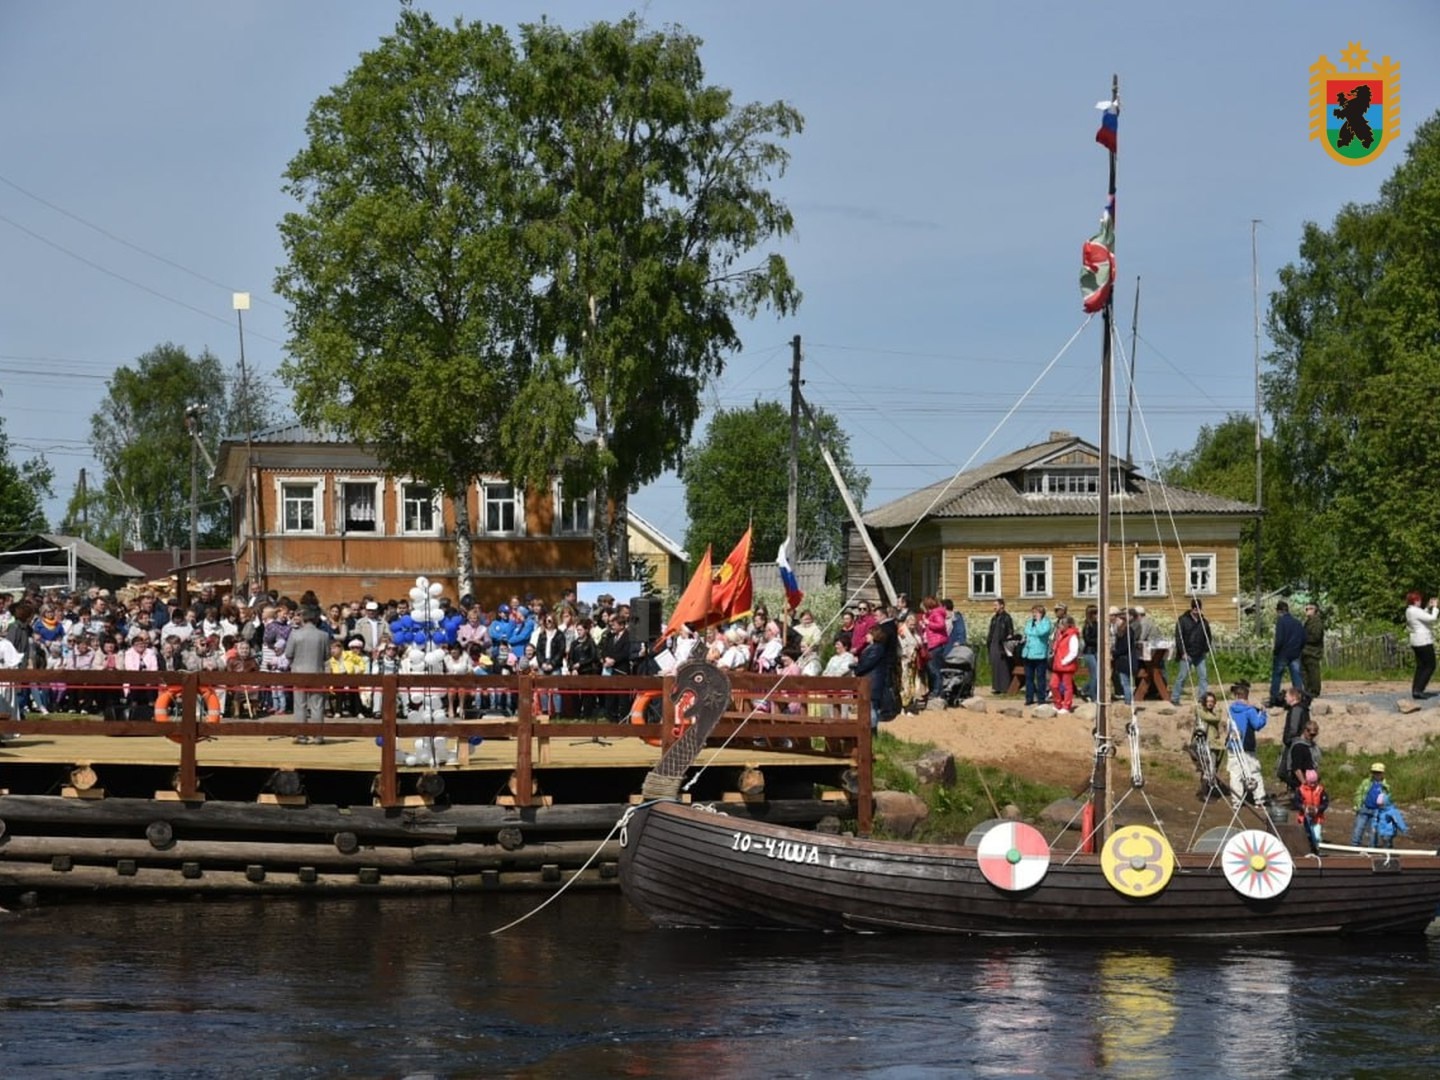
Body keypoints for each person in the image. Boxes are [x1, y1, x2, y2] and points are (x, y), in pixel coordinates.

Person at [284, 606, 331, 744]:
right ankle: (318, 736)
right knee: (317, 705)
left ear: (303, 619)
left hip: (298, 673)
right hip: (317, 672)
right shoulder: (324, 635)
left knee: (300, 705)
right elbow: (327, 655)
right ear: (316, 620)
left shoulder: (295, 634)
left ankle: (301, 735)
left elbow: (288, 654)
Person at [1223, 680, 1268, 811]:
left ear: (1236, 695)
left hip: (1233, 745)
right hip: (1247, 745)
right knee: (1254, 772)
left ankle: (1236, 801)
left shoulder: (1231, 709)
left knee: (1235, 774)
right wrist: (1263, 713)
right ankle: (1259, 799)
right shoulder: (1249, 711)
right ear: (1246, 695)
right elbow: (1257, 725)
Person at [1170, 599, 1212, 705]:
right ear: (1191, 608)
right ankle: (1175, 698)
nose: (1196, 610)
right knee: (1182, 676)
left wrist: (1206, 649)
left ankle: (1202, 698)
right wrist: (1183, 652)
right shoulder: (1183, 620)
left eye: (1198, 608)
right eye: (1194, 607)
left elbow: (1208, 637)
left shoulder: (1204, 622)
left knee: (1203, 677)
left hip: (1200, 654)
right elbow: (1178, 638)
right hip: (1187, 654)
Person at [1268, 600, 1305, 707]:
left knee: (1277, 675)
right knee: (1296, 676)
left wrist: (1276, 651)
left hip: (1283, 653)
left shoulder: (1281, 622)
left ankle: (1274, 698)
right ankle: (1299, 697)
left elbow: (1279, 639)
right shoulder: (1297, 622)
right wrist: (1299, 649)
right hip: (1295, 653)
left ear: (1279, 611)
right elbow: (1304, 638)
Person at [1403, 591, 1438, 700]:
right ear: (1415, 601)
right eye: (1418, 600)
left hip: (1416, 641)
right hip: (1423, 641)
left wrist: (1429, 607)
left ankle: (1416, 689)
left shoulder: (1410, 610)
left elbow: (1423, 614)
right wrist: (1436, 608)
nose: (1420, 601)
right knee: (1430, 665)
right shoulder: (1414, 611)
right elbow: (1432, 618)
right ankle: (1419, 690)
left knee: (1421, 666)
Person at [1190, 690, 1224, 797]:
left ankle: (1207, 790)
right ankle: (1205, 791)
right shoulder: (1200, 711)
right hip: (1201, 743)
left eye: (1212, 701)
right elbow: (1212, 718)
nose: (1210, 703)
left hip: (1212, 744)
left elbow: (1215, 719)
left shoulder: (1212, 712)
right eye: (1208, 701)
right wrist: (1217, 712)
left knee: (1212, 768)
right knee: (1206, 767)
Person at [1350, 762, 1392, 846]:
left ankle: (1372, 848)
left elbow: (1387, 799)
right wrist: (1358, 804)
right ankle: (1354, 845)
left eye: (1378, 772)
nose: (1376, 774)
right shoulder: (1366, 782)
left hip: (1376, 811)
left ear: (1383, 773)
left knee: (1373, 831)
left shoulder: (1385, 786)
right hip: (1364, 808)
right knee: (1358, 828)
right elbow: (1359, 793)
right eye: (1374, 772)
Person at [1020, 604, 1052, 706]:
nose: (1034, 614)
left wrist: (1038, 622)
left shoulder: (1046, 623)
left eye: (1036, 612)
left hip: (1039, 654)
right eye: (1033, 612)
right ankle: (1029, 698)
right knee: (1029, 677)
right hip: (1028, 653)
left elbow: (1041, 633)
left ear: (1041, 613)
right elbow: (1026, 631)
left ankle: (1041, 698)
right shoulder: (1030, 622)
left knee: (1040, 677)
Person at [1048, 615, 1080, 714]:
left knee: (1067, 686)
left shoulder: (1072, 636)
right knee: (1053, 685)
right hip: (1057, 665)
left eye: (1062, 624)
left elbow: (1074, 652)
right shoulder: (1059, 635)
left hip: (1066, 665)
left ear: (1068, 625)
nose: (1059, 626)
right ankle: (1057, 703)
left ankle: (1066, 705)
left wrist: (1064, 661)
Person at [1293, 769, 1329, 853]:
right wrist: (1304, 808)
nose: (1313, 784)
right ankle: (1304, 851)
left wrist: (1318, 809)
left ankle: (1316, 851)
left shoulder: (1320, 790)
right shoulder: (1301, 790)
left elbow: (1325, 803)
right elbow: (1296, 802)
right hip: (1304, 818)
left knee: (1316, 837)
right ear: (1307, 781)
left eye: (1314, 782)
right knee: (1304, 836)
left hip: (1317, 818)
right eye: (1311, 782)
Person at [1111, 608, 1141, 705]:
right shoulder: (1123, 631)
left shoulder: (1127, 631)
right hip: (1124, 659)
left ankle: (1128, 702)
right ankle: (1128, 701)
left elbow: (1125, 647)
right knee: (1126, 682)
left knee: (1126, 683)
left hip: (1125, 660)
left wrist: (1114, 653)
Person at [986, 598, 1014, 695]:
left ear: (1002, 605)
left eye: (996, 605)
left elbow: (1010, 630)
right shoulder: (994, 618)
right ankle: (996, 687)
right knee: (995, 665)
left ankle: (1005, 687)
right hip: (993, 643)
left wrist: (1008, 640)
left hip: (1001, 644)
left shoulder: (1006, 617)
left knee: (1003, 665)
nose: (994, 607)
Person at [1301, 601, 1325, 698]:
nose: (1308, 611)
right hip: (1305, 651)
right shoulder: (1308, 622)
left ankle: (1314, 691)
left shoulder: (1317, 622)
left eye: (1310, 609)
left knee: (1313, 672)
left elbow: (1316, 637)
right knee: (1305, 672)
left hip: (1312, 651)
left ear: (1316, 610)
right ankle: (1307, 690)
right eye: (1306, 609)